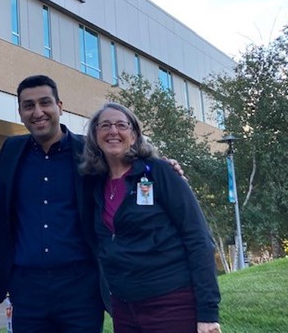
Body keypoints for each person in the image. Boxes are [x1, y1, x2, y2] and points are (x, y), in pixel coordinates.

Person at [80, 102, 221, 333]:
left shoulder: (159, 172)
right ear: (95, 137)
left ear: (134, 136)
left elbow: (199, 239)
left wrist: (208, 312)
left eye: (121, 125)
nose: (113, 131)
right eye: (105, 125)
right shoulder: (95, 183)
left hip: (171, 302)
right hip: (124, 308)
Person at [0, 75, 106, 332]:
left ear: (60, 106)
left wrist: (156, 167)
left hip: (80, 289)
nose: (38, 112)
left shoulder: (90, 151)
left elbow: (126, 166)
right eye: (29, 105)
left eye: (45, 103)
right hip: (27, 290)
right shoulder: (11, 150)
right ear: (20, 112)